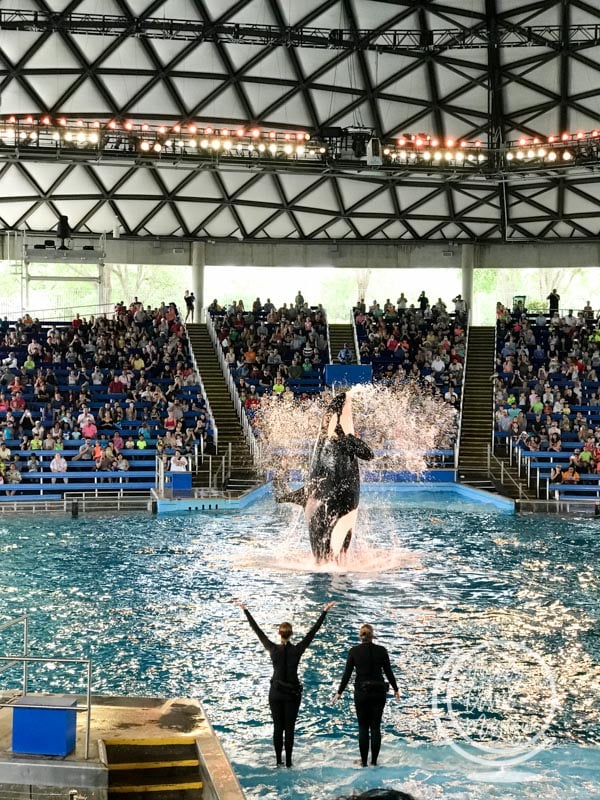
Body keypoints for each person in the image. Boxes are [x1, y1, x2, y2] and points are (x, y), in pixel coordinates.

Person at [235, 600, 335, 768]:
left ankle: (278, 761)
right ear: (291, 634)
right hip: (292, 694)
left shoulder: (272, 649)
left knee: (277, 727)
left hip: (275, 692)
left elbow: (257, 630)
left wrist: (245, 610)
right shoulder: (298, 650)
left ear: (279, 634)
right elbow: (313, 632)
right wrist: (324, 611)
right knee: (289, 728)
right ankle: (289, 762)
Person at [333, 623, 400, 768]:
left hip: (362, 693)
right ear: (372, 635)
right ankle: (374, 762)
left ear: (360, 636)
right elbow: (389, 672)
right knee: (375, 727)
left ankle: (363, 762)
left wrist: (339, 692)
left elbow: (347, 674)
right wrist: (396, 689)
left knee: (363, 727)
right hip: (378, 692)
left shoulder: (354, 651)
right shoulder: (381, 651)